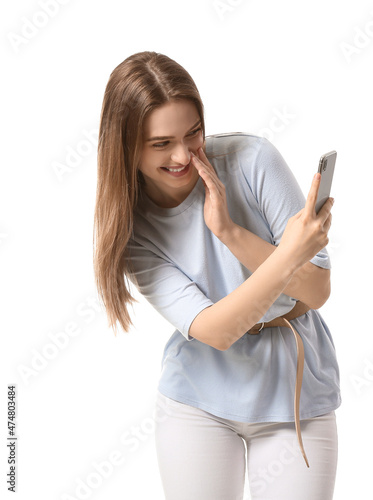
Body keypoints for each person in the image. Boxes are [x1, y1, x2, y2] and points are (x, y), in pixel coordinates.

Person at [93, 51, 341, 500]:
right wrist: (289, 256)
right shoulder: (130, 232)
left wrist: (229, 231)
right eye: (160, 143)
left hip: (294, 395)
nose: (183, 155)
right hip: (197, 403)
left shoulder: (251, 159)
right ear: (125, 147)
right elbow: (218, 331)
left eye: (193, 133)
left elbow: (318, 290)